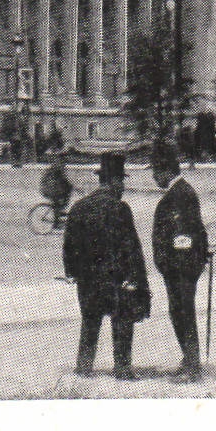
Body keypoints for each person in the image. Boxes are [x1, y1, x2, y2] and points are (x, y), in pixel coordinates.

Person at [63, 152, 151, 380]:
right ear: (113, 181)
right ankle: (122, 369)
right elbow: (132, 248)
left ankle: (83, 368)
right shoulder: (120, 209)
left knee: (90, 323)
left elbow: (69, 246)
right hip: (115, 280)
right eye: (121, 181)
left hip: (88, 281)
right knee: (122, 322)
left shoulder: (79, 207)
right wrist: (139, 281)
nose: (122, 186)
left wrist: (73, 273)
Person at [151, 144, 211, 382]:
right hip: (179, 268)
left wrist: (174, 266)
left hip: (181, 269)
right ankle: (189, 359)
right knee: (180, 312)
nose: (154, 177)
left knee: (183, 312)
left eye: (156, 172)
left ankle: (192, 366)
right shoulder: (180, 192)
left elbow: (183, 236)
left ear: (167, 170)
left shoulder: (180, 195)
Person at [39, 147, 74, 224]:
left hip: (51, 186)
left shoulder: (58, 164)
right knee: (60, 196)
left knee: (64, 194)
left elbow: (62, 179)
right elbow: (63, 178)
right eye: (65, 157)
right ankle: (56, 221)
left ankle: (59, 212)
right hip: (49, 188)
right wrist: (71, 186)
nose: (66, 159)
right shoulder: (58, 165)